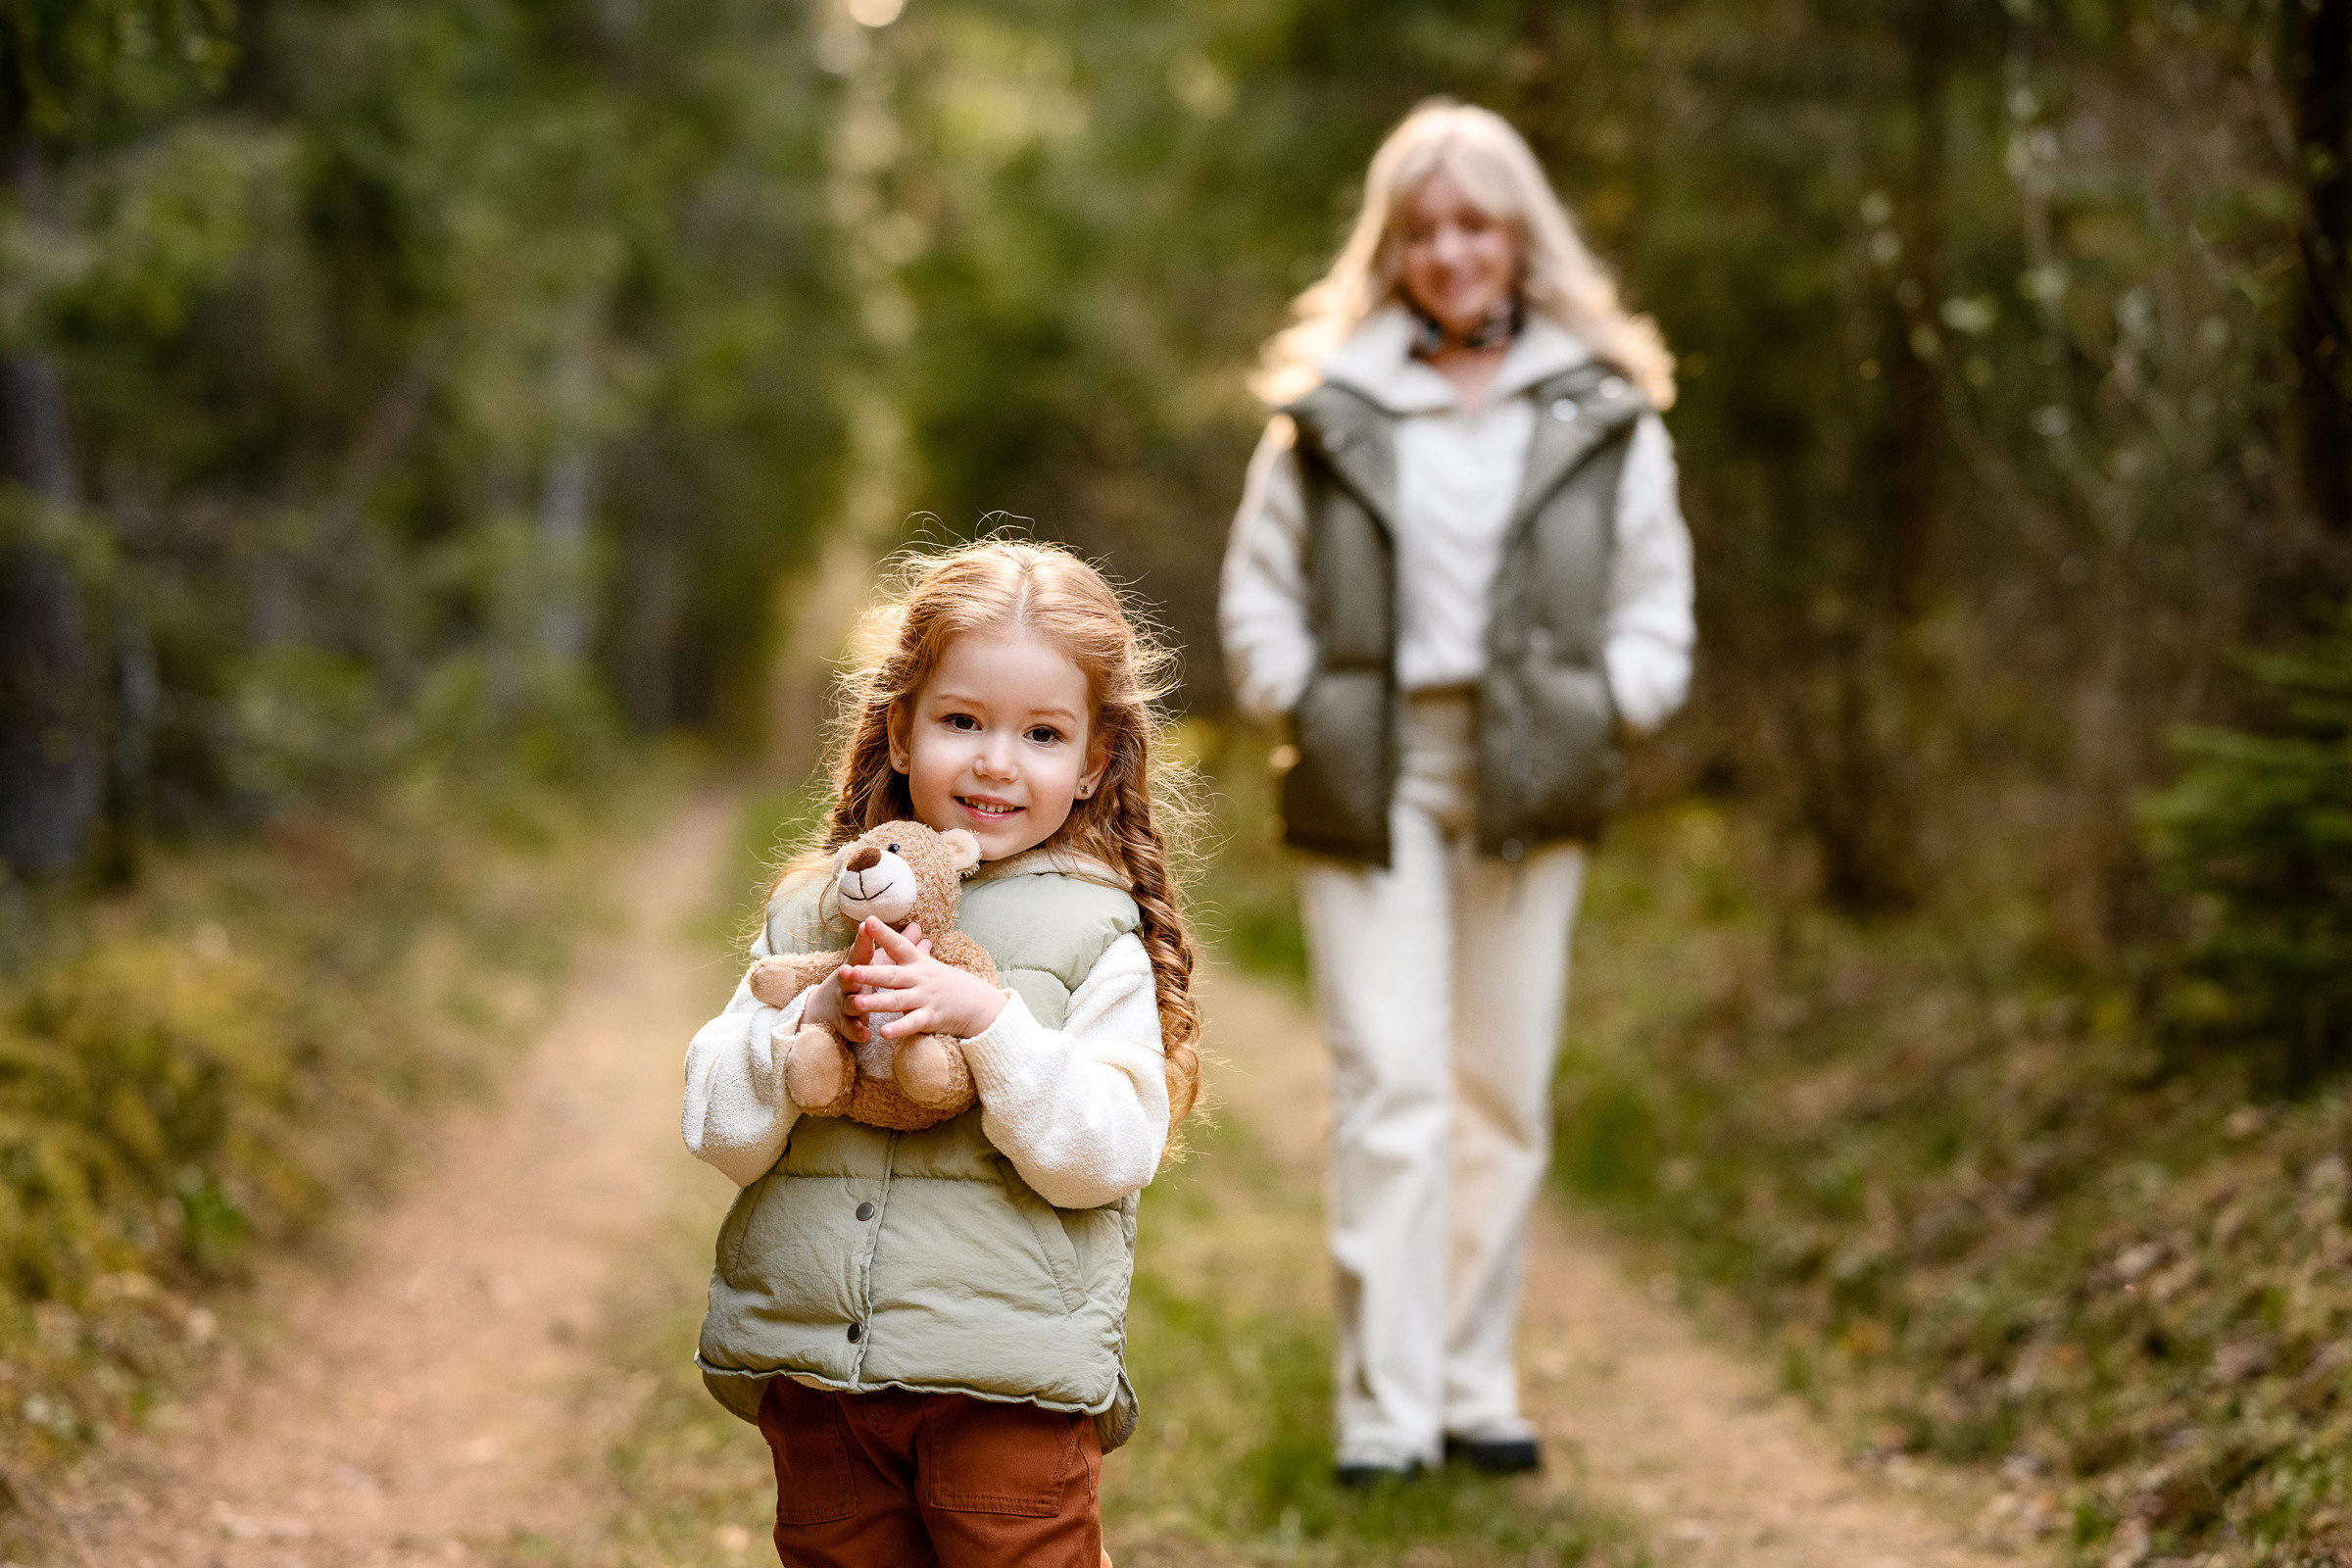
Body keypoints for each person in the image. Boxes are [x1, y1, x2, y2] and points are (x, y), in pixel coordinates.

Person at [1218, 100, 1695, 1486]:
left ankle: (1476, 1388)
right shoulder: (1329, 411)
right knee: (1390, 1084)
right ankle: (1385, 1409)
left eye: (1476, 224)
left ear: (1520, 235)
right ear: (1391, 247)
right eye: (1422, 229)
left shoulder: (1603, 410)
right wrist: (1303, 698)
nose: (1451, 252)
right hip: (1375, 772)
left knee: (1503, 1088)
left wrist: (1611, 704)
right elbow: (1258, 592)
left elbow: (1655, 603)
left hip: (1537, 771)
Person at [682, 540, 1202, 1568]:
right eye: (962, 721)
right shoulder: (820, 911)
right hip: (824, 1380)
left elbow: (1107, 1153)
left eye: (1042, 733)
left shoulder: (1094, 934)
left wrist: (990, 1024)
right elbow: (719, 1130)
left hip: (1007, 1386)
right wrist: (807, 1025)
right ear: (901, 730)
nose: (997, 761)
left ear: (1094, 762)